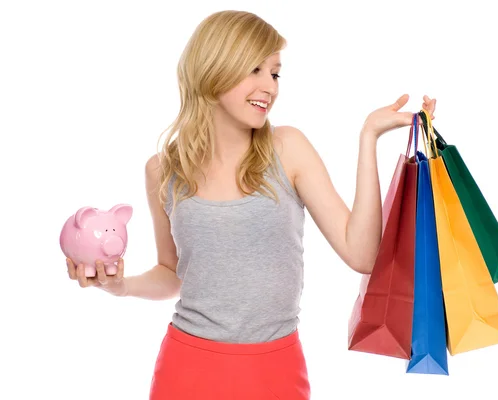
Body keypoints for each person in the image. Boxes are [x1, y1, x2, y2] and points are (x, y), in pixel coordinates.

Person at [65, 9, 436, 400]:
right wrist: (121, 286)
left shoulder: (288, 149)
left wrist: (368, 138)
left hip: (275, 369)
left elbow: (362, 255)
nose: (269, 87)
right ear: (213, 70)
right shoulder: (163, 170)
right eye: (254, 70)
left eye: (274, 73)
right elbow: (172, 273)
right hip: (186, 367)